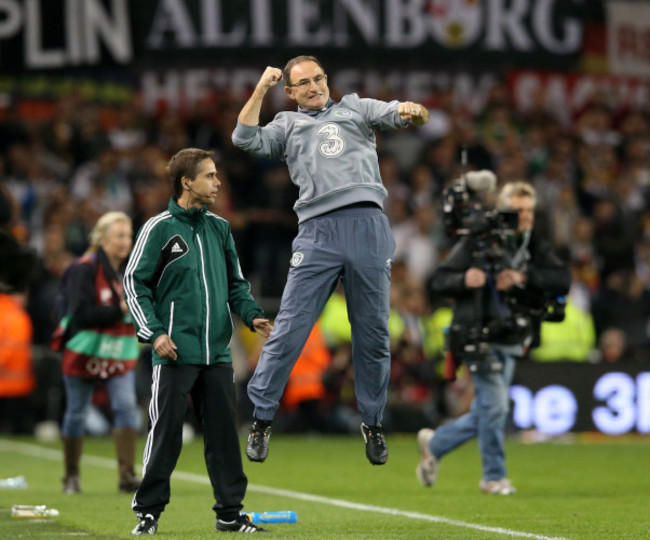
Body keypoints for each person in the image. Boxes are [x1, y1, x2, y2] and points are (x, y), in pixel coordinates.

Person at [231, 55, 429, 466]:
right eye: (302, 83)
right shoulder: (286, 125)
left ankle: (373, 422)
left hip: (368, 226)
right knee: (289, 328)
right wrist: (261, 88)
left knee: (373, 332)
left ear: (326, 79)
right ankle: (261, 418)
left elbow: (398, 113)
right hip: (318, 232)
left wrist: (413, 111)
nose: (313, 86)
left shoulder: (356, 107)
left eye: (317, 78)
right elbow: (243, 137)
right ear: (290, 92)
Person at [123, 148, 273, 535]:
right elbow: (134, 284)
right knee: (166, 433)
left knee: (224, 436)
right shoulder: (158, 228)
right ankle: (148, 513)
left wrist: (252, 313)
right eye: (209, 176)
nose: (217, 182)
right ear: (186, 182)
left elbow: (236, 284)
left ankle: (229, 514)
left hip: (217, 351)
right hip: (175, 351)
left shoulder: (220, 228)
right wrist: (155, 333)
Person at [416, 181, 570, 494]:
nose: (524, 216)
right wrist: (464, 278)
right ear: (502, 210)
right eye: (517, 210)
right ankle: (493, 476)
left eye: (528, 210)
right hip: (476, 333)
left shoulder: (533, 244)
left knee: (487, 410)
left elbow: (561, 279)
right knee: (496, 408)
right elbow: (439, 279)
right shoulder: (477, 241)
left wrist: (523, 277)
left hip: (511, 336)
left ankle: (437, 443)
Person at [53, 211, 141, 495]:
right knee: (77, 412)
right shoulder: (84, 268)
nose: (125, 241)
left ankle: (128, 476)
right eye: (119, 236)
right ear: (102, 238)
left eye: (128, 235)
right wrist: (120, 310)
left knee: (126, 406)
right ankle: (71, 476)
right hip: (85, 349)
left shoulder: (129, 270)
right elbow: (79, 315)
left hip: (116, 350)